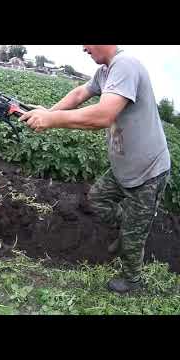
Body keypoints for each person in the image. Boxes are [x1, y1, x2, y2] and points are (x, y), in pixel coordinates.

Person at [20, 45, 171, 294]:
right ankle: (129, 227)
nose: (83, 48)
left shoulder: (126, 65)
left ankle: (132, 281)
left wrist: (52, 121)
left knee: (133, 239)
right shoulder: (105, 71)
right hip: (124, 167)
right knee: (98, 199)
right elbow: (81, 92)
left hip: (148, 171)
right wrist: (49, 112)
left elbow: (102, 116)